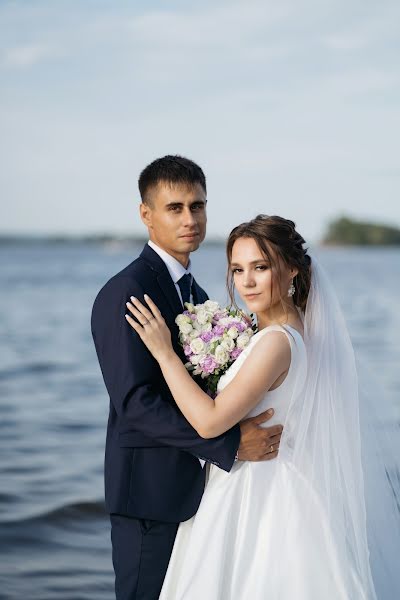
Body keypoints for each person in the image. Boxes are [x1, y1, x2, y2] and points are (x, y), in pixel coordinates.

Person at [125, 214, 384, 599]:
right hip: (270, 478)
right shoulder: (286, 331)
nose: (246, 282)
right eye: (238, 269)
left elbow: (210, 423)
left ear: (292, 269)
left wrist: (165, 355)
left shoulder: (276, 342)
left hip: (257, 493)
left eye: (260, 267)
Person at [91, 156, 283, 600]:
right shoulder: (125, 292)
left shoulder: (196, 295)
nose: (190, 219)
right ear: (146, 214)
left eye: (197, 206)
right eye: (174, 208)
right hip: (149, 496)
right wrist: (230, 445)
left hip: (198, 490)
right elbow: (135, 404)